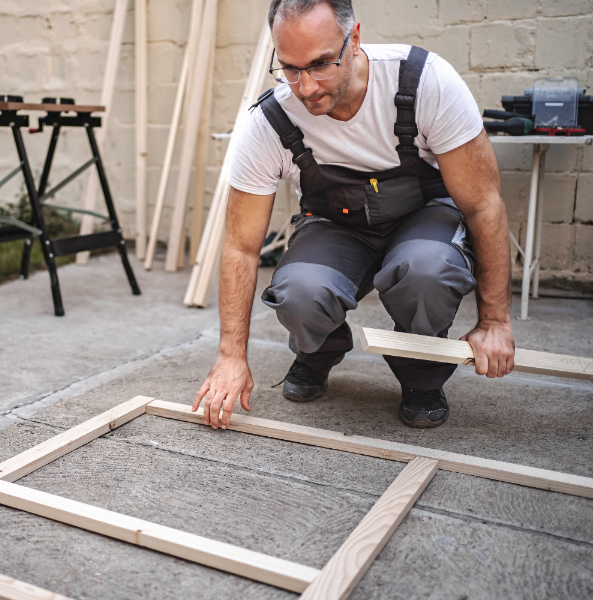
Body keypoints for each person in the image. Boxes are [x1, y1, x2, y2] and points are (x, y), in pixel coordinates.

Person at [193, 0, 515, 430]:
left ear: (355, 39)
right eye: (290, 68)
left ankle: (421, 374)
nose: (306, 87)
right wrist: (231, 356)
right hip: (338, 225)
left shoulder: (424, 82)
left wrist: (494, 321)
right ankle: (319, 349)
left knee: (426, 271)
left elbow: (483, 204)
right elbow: (241, 246)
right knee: (299, 292)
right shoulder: (270, 122)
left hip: (423, 219)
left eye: (320, 64)